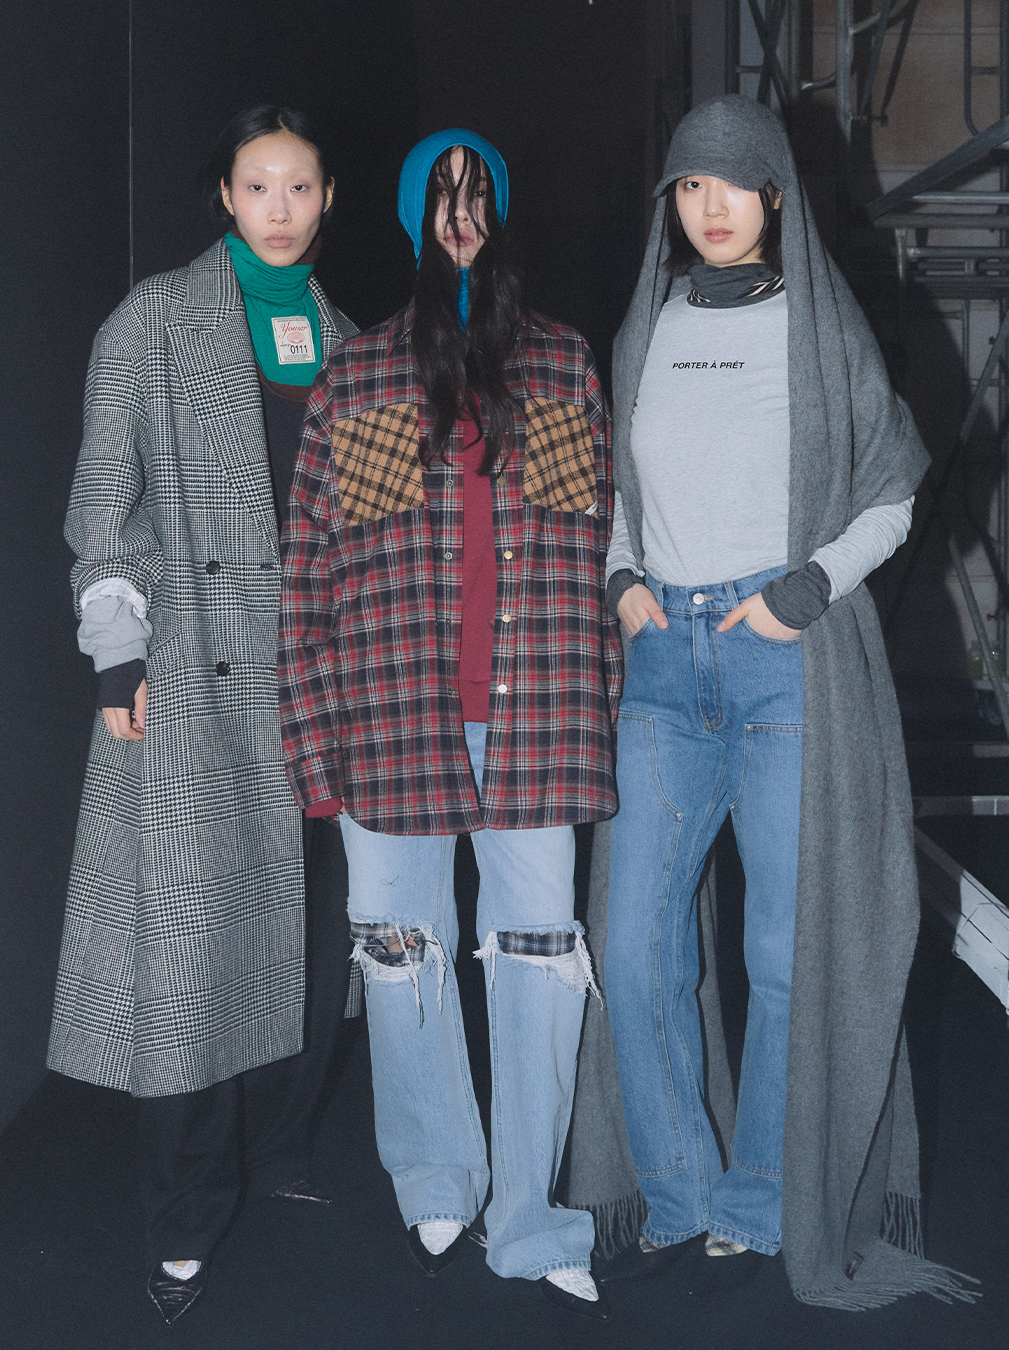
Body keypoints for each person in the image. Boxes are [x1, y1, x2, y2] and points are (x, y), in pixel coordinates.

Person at [569, 94, 975, 1308]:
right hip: (660, 660)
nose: (710, 208)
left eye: (732, 185)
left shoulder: (820, 329)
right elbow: (618, 493)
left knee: (786, 951)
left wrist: (806, 592)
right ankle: (678, 1188)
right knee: (631, 944)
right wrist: (622, 579)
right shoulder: (644, 329)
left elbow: (894, 491)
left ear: (776, 197)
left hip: (778, 657)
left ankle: (757, 1199)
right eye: (689, 188)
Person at [277, 130, 623, 1320]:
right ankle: (434, 1175)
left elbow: (587, 551)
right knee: (401, 951)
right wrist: (315, 743)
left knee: (540, 961)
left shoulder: (563, 365)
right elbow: (311, 574)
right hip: (393, 723)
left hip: (536, 724)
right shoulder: (361, 376)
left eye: (477, 196)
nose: (460, 216)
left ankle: (531, 1218)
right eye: (441, 197)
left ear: (500, 214)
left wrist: (599, 712)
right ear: (412, 217)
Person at [47, 105, 359, 1325]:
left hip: (318, 683)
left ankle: (276, 1150)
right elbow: (101, 506)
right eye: (256, 184)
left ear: (327, 199)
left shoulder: (347, 338)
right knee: (187, 948)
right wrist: (117, 657)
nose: (279, 207)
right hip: (187, 674)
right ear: (224, 196)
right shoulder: (153, 319)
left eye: (300, 186)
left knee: (309, 933)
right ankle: (181, 1217)